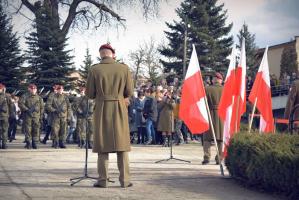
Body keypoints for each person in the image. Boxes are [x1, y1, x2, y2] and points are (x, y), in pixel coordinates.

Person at [86, 43, 133, 188]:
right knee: (122, 146)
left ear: (101, 54)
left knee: (102, 146)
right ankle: (125, 180)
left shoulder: (94, 69)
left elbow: (90, 94)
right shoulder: (124, 68)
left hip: (102, 108)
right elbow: (129, 92)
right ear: (112, 54)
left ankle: (102, 180)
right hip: (119, 107)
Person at [202, 72, 224, 165]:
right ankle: (219, 158)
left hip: (209, 114)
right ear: (220, 80)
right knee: (220, 138)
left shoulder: (207, 89)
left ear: (214, 79)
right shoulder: (225, 89)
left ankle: (206, 157)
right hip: (221, 115)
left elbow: (203, 102)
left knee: (207, 138)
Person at [19, 84, 44, 149]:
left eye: (34, 89)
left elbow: (42, 108)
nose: (33, 90)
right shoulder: (25, 96)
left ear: (36, 90)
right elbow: (21, 104)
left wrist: (41, 116)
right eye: (32, 89)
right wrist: (27, 109)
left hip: (36, 117)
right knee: (28, 130)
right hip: (28, 116)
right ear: (29, 89)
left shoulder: (39, 98)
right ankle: (28, 143)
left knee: (36, 130)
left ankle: (34, 143)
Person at [0, 83, 11, 149]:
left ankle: (4, 144)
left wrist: (10, 114)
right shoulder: (7, 96)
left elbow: (11, 106)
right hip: (4, 116)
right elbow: (11, 105)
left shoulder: (7, 96)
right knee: (4, 130)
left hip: (4, 116)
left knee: (4, 130)